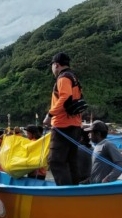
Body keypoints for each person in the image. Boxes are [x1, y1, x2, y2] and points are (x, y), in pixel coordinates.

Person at [42, 52, 83, 185]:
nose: (52, 69)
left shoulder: (63, 78)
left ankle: (65, 193)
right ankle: (74, 191)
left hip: (63, 125)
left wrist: (50, 115)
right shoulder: (73, 77)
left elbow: (65, 97)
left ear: (56, 65)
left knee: (55, 161)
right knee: (71, 161)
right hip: (75, 124)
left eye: (52, 66)